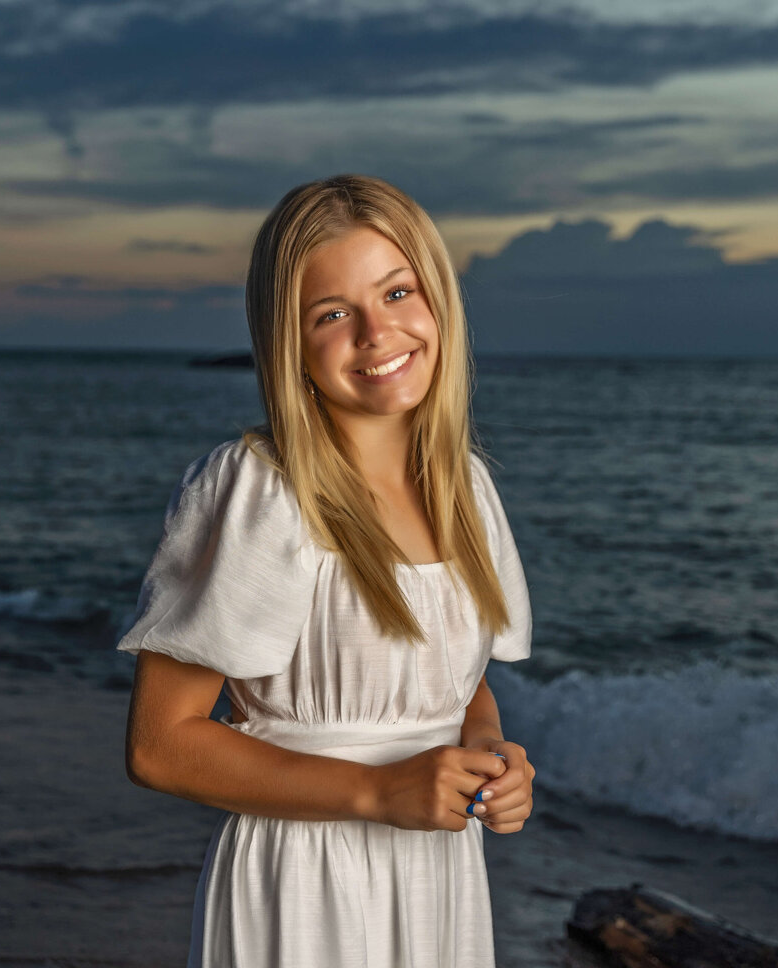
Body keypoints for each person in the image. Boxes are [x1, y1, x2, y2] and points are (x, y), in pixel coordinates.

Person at [118, 174, 534, 968]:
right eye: (332, 314)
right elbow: (160, 747)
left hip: (439, 870)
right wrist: (377, 792)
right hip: (308, 881)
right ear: (290, 343)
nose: (378, 333)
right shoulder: (258, 489)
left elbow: (454, 680)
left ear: (437, 298)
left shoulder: (465, 486)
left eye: (398, 291)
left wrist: (489, 760)